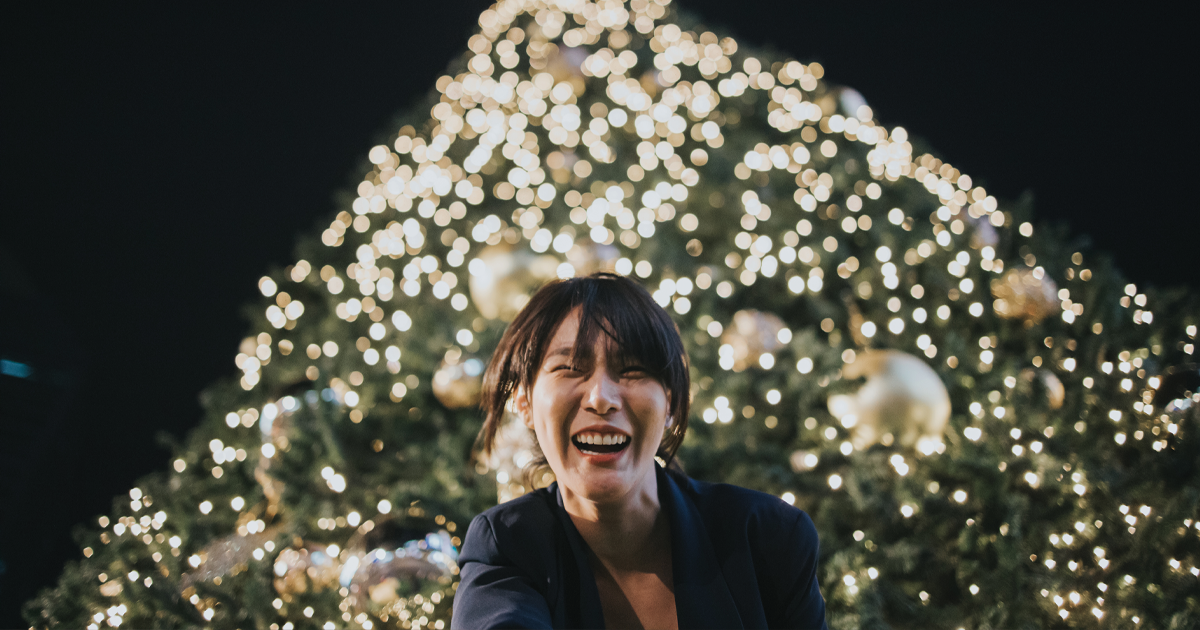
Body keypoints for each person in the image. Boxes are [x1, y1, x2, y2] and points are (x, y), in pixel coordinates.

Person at [452, 273, 827, 629]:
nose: (601, 398)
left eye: (632, 369)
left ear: (672, 404)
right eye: (569, 368)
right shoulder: (506, 546)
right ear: (525, 402)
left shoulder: (770, 538)